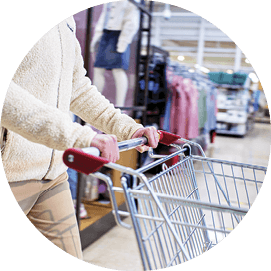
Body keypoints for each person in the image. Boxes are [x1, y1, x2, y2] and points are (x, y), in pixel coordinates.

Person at [1, 16, 158, 260]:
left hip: (53, 176)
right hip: (11, 171)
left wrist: (128, 128)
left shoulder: (68, 23)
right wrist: (78, 136)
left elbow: (79, 91)